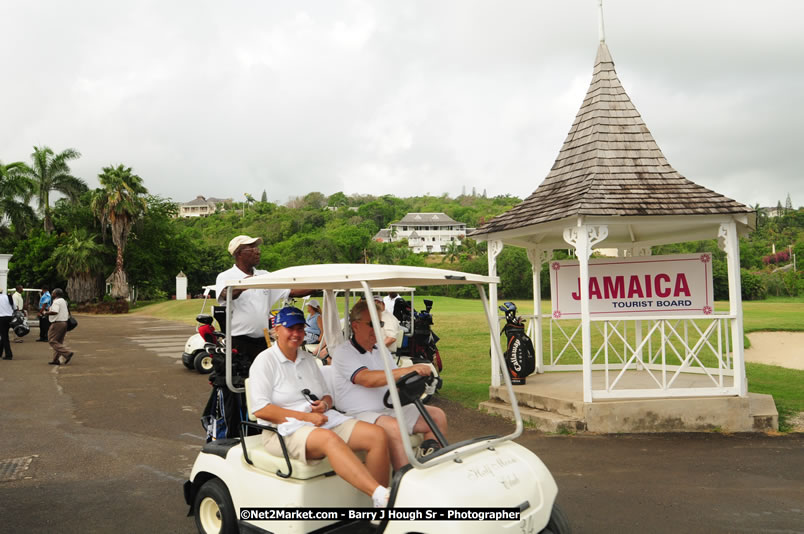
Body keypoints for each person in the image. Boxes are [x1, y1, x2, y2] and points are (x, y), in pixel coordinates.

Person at [248, 307, 391, 508]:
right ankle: (381, 496)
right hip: (281, 431)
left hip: (320, 420)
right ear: (277, 329)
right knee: (329, 439)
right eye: (290, 328)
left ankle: (378, 509)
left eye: (300, 328)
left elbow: (327, 396)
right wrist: (306, 418)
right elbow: (261, 410)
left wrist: (323, 404)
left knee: (377, 435)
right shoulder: (265, 361)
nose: (296, 334)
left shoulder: (308, 360)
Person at [331, 299, 448, 470]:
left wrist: (416, 382)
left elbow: (395, 379)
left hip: (389, 409)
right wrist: (407, 371)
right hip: (359, 414)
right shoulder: (344, 353)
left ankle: (430, 464)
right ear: (355, 326)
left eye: (379, 323)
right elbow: (367, 379)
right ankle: (403, 478)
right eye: (372, 324)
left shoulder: (381, 350)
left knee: (437, 416)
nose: (376, 328)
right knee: (393, 427)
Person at [215, 235, 310, 365]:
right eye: (251, 248)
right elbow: (226, 294)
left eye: (257, 248)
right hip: (238, 340)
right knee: (241, 380)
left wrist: (319, 287)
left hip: (263, 339)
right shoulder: (226, 276)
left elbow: (290, 291)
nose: (257, 251)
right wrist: (246, 284)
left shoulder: (264, 275)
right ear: (238, 253)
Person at [46, 288, 73, 365]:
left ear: (56, 294)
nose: (51, 294)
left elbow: (55, 311)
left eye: (52, 293)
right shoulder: (63, 301)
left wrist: (46, 313)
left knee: (52, 341)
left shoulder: (56, 302)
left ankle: (67, 353)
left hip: (57, 323)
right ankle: (55, 360)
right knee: (59, 342)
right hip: (64, 323)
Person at [0, 288, 14, 360]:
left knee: (4, 337)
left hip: (1, 318)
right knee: (4, 335)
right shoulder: (8, 296)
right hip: (9, 317)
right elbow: (13, 306)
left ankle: (9, 354)